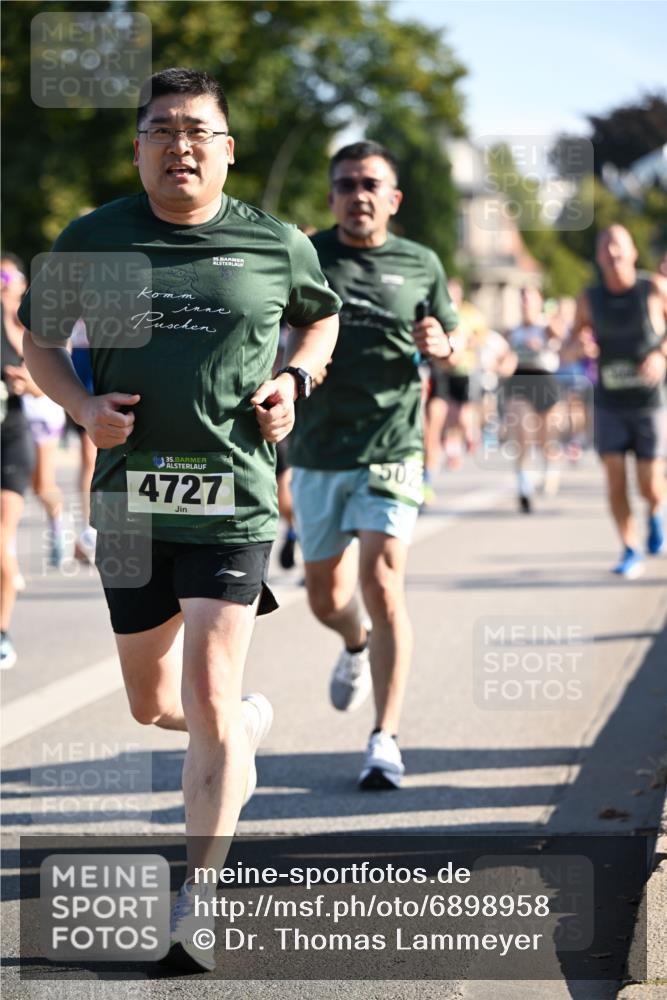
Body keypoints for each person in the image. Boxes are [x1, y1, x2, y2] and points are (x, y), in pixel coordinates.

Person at [20, 67, 340, 971]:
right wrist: (82, 410)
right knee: (152, 703)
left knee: (202, 691)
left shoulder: (276, 244)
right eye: (161, 129)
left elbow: (321, 321)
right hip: (127, 502)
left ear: (226, 148)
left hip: (233, 495)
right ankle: (239, 727)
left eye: (198, 129)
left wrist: (295, 380)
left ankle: (198, 904)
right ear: (139, 147)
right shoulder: (95, 237)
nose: (181, 144)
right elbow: (37, 336)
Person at [289, 140, 459, 791]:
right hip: (318, 449)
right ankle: (353, 643)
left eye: (370, 184)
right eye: (345, 184)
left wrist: (440, 344)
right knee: (325, 596)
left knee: (383, 581)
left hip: (392, 446)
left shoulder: (420, 262)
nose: (357, 194)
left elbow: (449, 340)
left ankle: (384, 738)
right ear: (331, 196)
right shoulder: (306, 258)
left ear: (392, 198)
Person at [571, 225, 667, 578]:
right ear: (598, 257)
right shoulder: (589, 298)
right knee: (614, 476)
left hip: (649, 401)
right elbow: (571, 342)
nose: (612, 253)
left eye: (619, 246)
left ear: (633, 252)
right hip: (609, 401)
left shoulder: (654, 289)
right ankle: (629, 548)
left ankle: (657, 513)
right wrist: (578, 347)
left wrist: (662, 355)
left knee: (649, 483)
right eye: (605, 247)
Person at [1, 255, 37, 668]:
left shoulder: (27, 328)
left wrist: (25, 380)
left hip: (9, 438)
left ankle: (2, 631)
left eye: (7, 275)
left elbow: (45, 387)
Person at [505, 287, 564, 512]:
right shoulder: (513, 331)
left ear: (539, 302)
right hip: (521, 380)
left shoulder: (546, 326)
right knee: (522, 437)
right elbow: (504, 355)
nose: (526, 304)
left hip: (545, 380)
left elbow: (560, 337)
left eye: (530, 300)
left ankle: (551, 468)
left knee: (546, 439)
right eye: (523, 300)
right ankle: (523, 487)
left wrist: (550, 325)